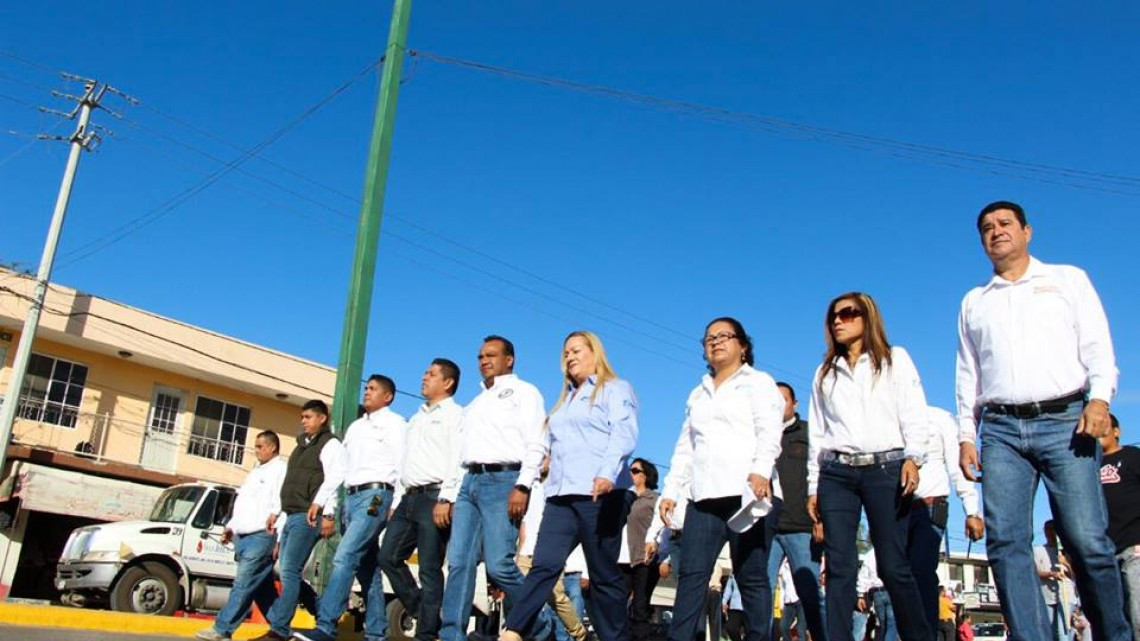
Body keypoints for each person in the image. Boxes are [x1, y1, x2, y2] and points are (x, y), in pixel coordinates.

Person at [956, 201, 1129, 641]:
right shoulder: (975, 302)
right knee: (1006, 544)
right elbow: (967, 374)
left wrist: (1100, 399)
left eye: (1005, 224)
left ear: (1027, 231)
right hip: (999, 431)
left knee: (1088, 541)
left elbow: (1098, 347)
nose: (996, 232)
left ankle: (1115, 634)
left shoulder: (1067, 280)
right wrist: (965, 435)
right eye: (987, 228)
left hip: (1067, 421)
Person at [806, 292, 931, 641]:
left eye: (848, 313)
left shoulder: (895, 359)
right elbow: (818, 432)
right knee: (839, 567)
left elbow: (914, 411)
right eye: (833, 316)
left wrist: (914, 457)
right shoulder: (824, 373)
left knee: (893, 566)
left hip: (886, 469)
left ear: (868, 317)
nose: (838, 321)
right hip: (836, 474)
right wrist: (813, 486)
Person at [502, 330, 639, 641]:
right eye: (566, 353)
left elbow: (623, 434)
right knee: (544, 566)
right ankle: (512, 632)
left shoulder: (614, 389)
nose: (570, 356)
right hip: (561, 497)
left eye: (577, 350)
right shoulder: (564, 403)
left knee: (603, 576)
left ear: (595, 353)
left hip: (602, 493)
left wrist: (606, 473)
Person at [660, 316, 785, 641]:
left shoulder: (758, 382)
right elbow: (685, 447)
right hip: (703, 499)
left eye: (724, 336)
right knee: (692, 576)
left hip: (746, 493)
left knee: (751, 576)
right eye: (709, 338)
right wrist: (671, 490)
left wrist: (760, 470)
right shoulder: (697, 393)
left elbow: (769, 431)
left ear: (743, 347)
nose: (715, 341)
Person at [438, 336, 548, 641]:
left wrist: (524, 485)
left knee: (499, 565)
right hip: (469, 482)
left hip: (505, 481)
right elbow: (459, 453)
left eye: (491, 355)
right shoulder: (473, 404)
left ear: (509, 359)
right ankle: (451, 634)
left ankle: (540, 624)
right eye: (480, 356)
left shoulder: (525, 393)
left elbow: (537, 441)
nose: (484, 361)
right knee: (459, 563)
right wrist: (448, 494)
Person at [294, 375, 406, 641]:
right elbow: (340, 469)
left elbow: (403, 463)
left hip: (377, 496)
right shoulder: (356, 428)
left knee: (344, 557)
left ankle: (326, 626)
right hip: (351, 498)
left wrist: (397, 501)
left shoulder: (396, 424)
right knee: (368, 568)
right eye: (366, 388)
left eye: (373, 389)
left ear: (388, 396)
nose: (366, 392)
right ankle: (377, 633)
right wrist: (322, 500)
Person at [379, 359, 463, 641]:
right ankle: (424, 613)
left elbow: (458, 459)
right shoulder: (415, 419)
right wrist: (398, 500)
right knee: (388, 556)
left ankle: (426, 634)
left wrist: (447, 498)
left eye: (431, 374)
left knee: (429, 568)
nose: (424, 377)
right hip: (408, 498)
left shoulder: (455, 415)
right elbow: (407, 462)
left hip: (434, 497)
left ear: (448, 383)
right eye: (425, 371)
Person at [255, 400, 345, 641]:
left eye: (308, 417)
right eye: (302, 417)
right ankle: (323, 613)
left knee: (289, 571)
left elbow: (336, 478)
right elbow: (289, 486)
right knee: (285, 571)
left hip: (309, 516)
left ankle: (279, 630)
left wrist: (327, 513)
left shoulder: (330, 444)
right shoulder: (299, 448)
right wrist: (278, 514)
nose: (303, 421)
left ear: (322, 418)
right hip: (292, 514)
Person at [197, 431, 287, 641]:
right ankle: (282, 630)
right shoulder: (255, 472)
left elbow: (280, 506)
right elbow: (243, 503)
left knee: (244, 584)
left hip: (263, 536)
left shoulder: (280, 471)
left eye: (260, 446)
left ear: (272, 447)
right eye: (256, 447)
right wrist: (231, 527)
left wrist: (279, 539)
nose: (256, 451)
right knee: (261, 589)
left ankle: (222, 629)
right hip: (244, 538)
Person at [911, 407, 981, 636]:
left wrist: (971, 511)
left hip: (930, 507)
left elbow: (956, 467)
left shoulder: (940, 419)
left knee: (922, 572)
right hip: (894, 511)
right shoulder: (888, 417)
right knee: (896, 575)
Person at [767, 382, 827, 641]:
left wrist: (821, 519)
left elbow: (822, 478)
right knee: (760, 593)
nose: (778, 405)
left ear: (794, 404)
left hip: (802, 527)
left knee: (810, 593)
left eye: (783, 400)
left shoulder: (809, 434)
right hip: (766, 529)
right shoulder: (760, 436)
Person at [515, 457, 589, 641]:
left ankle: (579, 634)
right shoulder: (531, 486)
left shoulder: (557, 487)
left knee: (556, 598)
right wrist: (519, 553)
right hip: (526, 553)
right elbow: (525, 523)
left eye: (545, 458)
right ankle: (522, 633)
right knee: (521, 596)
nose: (542, 462)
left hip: (548, 552)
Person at [1098, 413, 1140, 639]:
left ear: (1117, 431)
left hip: (1135, 545)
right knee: (1115, 618)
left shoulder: (1133, 456)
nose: (1100, 429)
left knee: (1138, 611)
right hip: (1103, 552)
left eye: (1105, 425)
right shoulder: (1086, 467)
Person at [621, 458, 662, 641]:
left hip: (644, 558)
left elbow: (663, 526)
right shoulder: (624, 497)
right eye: (630, 470)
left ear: (645, 475)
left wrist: (665, 558)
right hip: (622, 558)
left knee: (640, 605)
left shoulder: (654, 498)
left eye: (635, 470)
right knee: (617, 602)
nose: (631, 473)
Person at [1033, 520, 1074, 641]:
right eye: (1047, 529)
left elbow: (1073, 575)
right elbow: (1035, 572)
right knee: (1048, 632)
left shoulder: (1066, 551)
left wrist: (1065, 563)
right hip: (1047, 596)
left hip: (1065, 594)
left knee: (1063, 632)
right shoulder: (1038, 550)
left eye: (1052, 529)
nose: (1050, 532)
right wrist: (1051, 574)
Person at [856, 551, 894, 641]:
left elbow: (863, 577)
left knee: (882, 625)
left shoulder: (870, 555)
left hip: (876, 593)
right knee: (892, 625)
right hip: (891, 590)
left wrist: (860, 595)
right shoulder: (892, 550)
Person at [723, 574, 745, 641]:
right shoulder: (733, 574)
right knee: (730, 628)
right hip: (735, 606)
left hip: (749, 607)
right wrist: (724, 602)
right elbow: (729, 588)